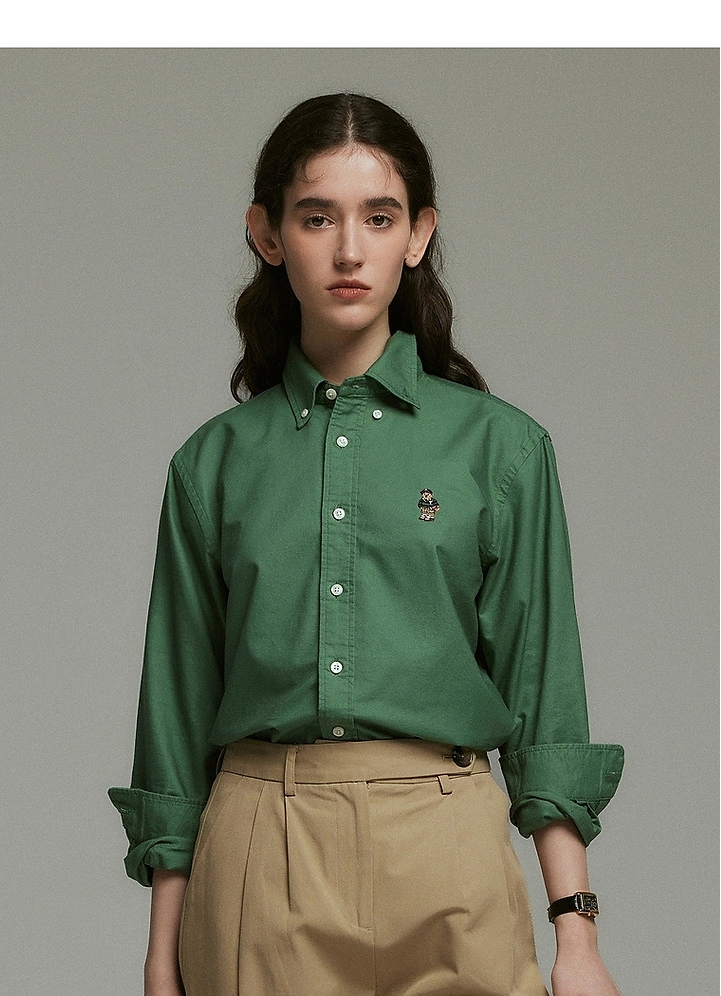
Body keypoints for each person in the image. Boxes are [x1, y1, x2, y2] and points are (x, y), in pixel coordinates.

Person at [109, 92, 624, 996]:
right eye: (317, 218)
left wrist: (574, 935)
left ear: (418, 235)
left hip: (450, 852)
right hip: (261, 855)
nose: (349, 250)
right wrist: (161, 957)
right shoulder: (213, 465)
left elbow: (544, 698)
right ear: (267, 235)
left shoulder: (502, 450)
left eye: (379, 218)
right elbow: (176, 721)